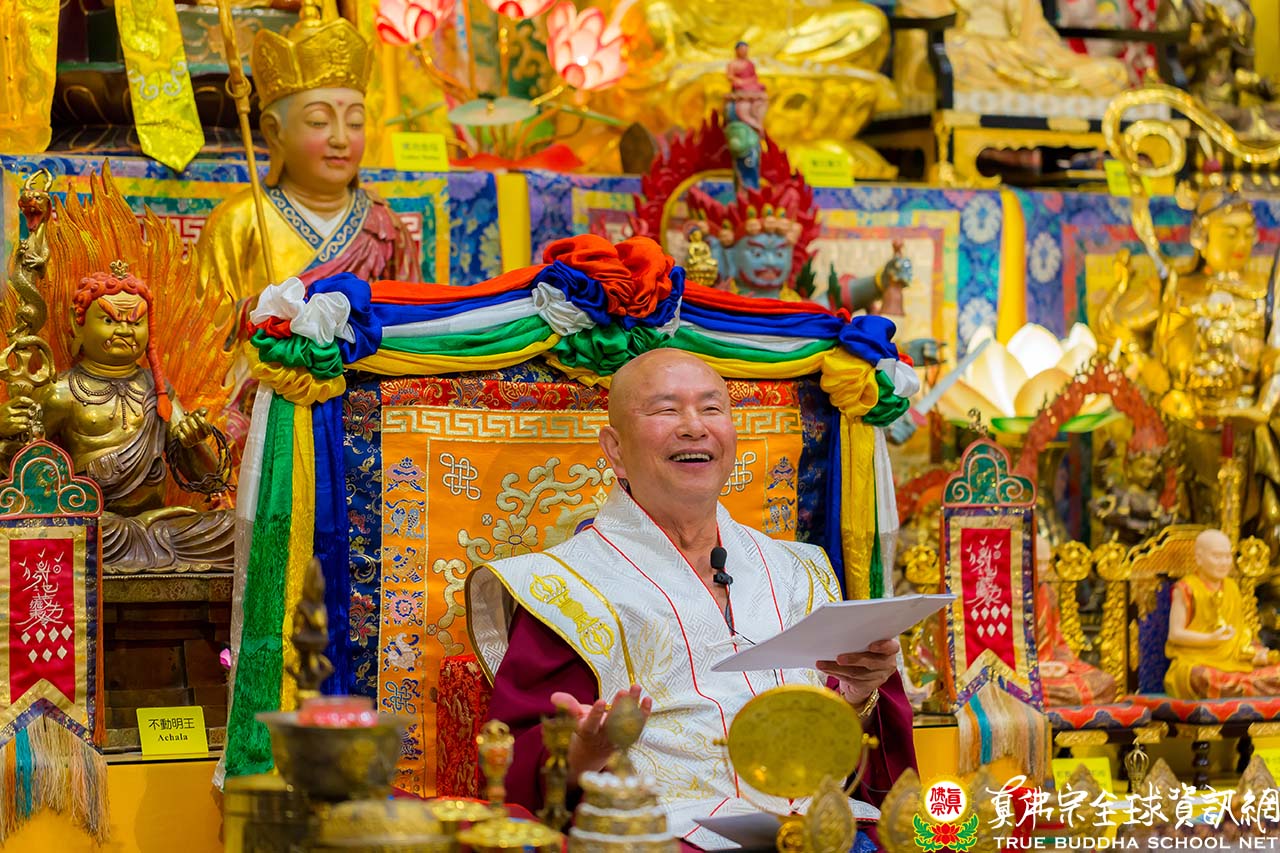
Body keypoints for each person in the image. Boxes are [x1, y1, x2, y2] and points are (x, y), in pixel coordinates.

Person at [467, 349, 915, 848]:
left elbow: (853, 748)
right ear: (615, 448)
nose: (694, 427)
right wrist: (586, 752)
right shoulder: (563, 586)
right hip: (667, 834)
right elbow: (522, 766)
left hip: (819, 826)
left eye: (711, 408)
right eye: (666, 410)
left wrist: (857, 694)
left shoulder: (798, 569)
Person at [1164, 528, 1280, 698]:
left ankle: (1244, 686)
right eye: (1217, 556)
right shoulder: (1186, 589)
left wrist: (1255, 653)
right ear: (1199, 558)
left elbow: (1241, 634)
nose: (1224, 562)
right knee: (1201, 677)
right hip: (1197, 660)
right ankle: (1249, 687)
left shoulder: (1232, 588)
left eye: (1227, 556)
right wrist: (1210, 639)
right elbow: (1175, 635)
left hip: (1235, 661)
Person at [1033, 538, 1118, 706]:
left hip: (1051, 670)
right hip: (1028, 674)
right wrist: (1036, 668)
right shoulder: (1011, 596)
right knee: (1018, 689)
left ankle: (1038, 699)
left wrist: (1062, 665)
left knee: (1105, 683)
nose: (1043, 568)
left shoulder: (1047, 593)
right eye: (1038, 563)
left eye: (1046, 563)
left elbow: (1058, 641)